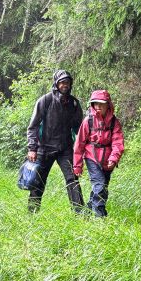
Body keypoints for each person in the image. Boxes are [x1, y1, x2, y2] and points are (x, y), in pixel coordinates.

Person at [26, 70, 84, 213]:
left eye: (67, 82)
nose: (65, 85)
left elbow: (79, 129)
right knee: (38, 181)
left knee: (73, 180)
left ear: (71, 84)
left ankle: (80, 214)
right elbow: (32, 126)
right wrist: (32, 148)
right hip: (44, 148)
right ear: (56, 83)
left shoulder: (74, 104)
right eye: (62, 82)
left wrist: (83, 148)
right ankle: (32, 213)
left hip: (65, 149)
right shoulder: (45, 100)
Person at [73, 90, 124, 217]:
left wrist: (114, 158)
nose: (98, 106)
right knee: (100, 185)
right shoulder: (88, 121)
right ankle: (100, 216)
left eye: (101, 104)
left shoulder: (114, 122)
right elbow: (79, 144)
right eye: (95, 103)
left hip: (108, 160)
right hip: (92, 157)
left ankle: (88, 211)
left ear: (108, 105)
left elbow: (118, 143)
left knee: (102, 188)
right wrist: (77, 165)